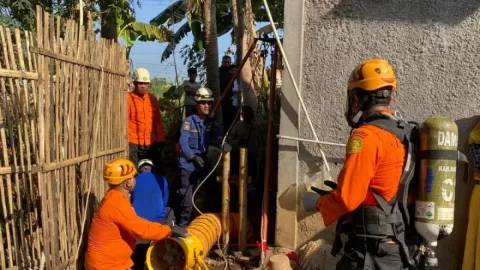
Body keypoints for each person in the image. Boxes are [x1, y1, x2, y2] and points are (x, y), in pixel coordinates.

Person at [303, 59, 417, 270]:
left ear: (356, 98)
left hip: (373, 251)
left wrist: (318, 203)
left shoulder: (366, 137)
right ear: (390, 96)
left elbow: (348, 199)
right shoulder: (404, 134)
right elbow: (384, 186)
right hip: (399, 247)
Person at [85, 158, 185, 270]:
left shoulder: (112, 197)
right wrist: (169, 230)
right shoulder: (117, 204)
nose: (135, 179)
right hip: (108, 266)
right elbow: (142, 230)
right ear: (128, 183)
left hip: (109, 262)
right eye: (133, 176)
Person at [175, 87, 230, 227]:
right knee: (186, 198)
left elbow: (218, 137)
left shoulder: (210, 123)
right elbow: (183, 142)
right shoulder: (189, 122)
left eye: (209, 103)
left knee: (203, 197)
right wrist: (192, 157)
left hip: (203, 164)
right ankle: (183, 226)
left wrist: (224, 144)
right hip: (188, 165)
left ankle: (199, 226)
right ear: (197, 104)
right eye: (203, 103)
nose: (207, 106)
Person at [131, 159, 174, 270]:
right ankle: (166, 239)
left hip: (138, 221)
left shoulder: (133, 180)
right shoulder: (161, 179)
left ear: (139, 169)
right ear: (152, 168)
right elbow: (165, 200)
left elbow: (131, 199)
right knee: (170, 211)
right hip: (157, 220)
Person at [128, 67, 165, 166]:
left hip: (149, 142)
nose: (143, 86)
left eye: (146, 84)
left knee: (149, 170)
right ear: (135, 83)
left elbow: (157, 121)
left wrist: (160, 139)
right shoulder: (128, 98)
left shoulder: (152, 99)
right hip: (133, 142)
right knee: (134, 172)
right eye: (140, 83)